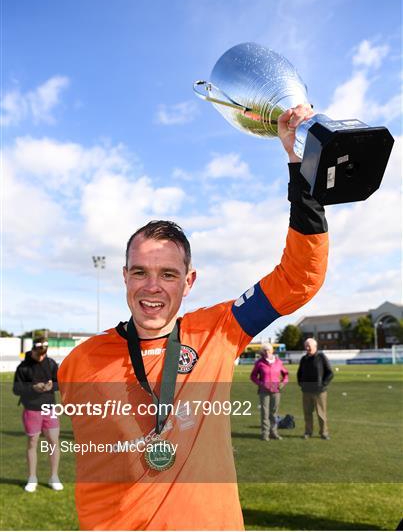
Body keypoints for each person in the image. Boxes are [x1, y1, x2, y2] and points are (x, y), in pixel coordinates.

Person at [58, 103, 329, 530]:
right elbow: (95, 482)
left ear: (189, 282)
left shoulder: (218, 330)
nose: (152, 287)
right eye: (140, 273)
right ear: (124, 277)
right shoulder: (80, 363)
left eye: (168, 274)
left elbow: (300, 278)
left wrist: (300, 164)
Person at [13, 336, 63, 492]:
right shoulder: (23, 367)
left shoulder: (51, 363)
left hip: (50, 408)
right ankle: (32, 478)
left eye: (44, 353)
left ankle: (54, 477)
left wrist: (51, 386)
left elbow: (59, 383)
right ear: (33, 350)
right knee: (33, 443)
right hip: (32, 409)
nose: (41, 356)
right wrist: (33, 388)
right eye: (39, 353)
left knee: (53, 443)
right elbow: (16, 389)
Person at [297, 337, 334, 440]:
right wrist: (301, 384)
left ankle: (324, 433)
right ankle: (308, 432)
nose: (307, 348)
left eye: (309, 346)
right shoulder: (304, 359)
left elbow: (330, 373)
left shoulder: (321, 357)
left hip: (319, 392)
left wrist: (323, 384)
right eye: (306, 346)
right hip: (306, 391)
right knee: (307, 414)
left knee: (321, 414)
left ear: (315, 346)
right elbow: (299, 373)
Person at [250, 343, 289, 440]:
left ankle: (274, 432)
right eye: (265, 350)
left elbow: (286, 375)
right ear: (262, 352)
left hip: (276, 391)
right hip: (264, 392)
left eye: (268, 350)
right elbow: (253, 376)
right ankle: (265, 434)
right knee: (265, 413)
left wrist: (282, 383)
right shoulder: (259, 363)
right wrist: (261, 384)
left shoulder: (278, 362)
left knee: (274, 413)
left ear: (272, 351)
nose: (267, 352)